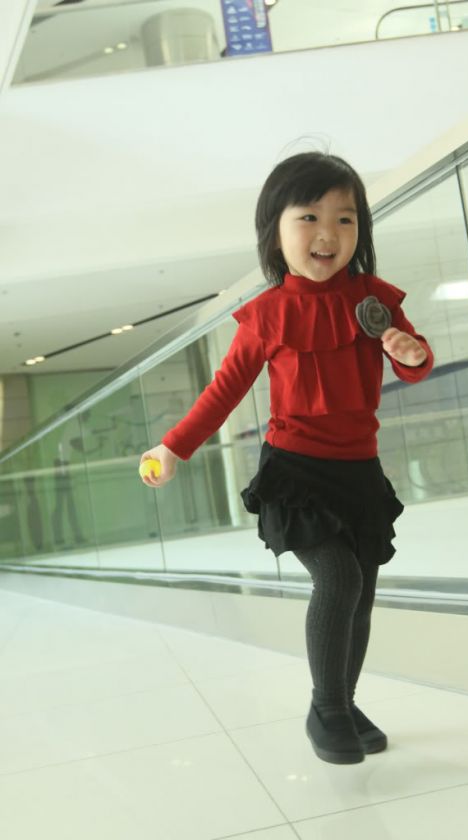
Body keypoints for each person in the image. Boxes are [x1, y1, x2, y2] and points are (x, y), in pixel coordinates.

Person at [139, 151, 434, 765]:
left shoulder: (374, 300)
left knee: (363, 594)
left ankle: (343, 701)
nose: (328, 234)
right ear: (275, 230)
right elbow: (224, 391)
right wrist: (172, 447)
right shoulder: (268, 314)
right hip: (296, 474)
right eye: (309, 217)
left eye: (346, 219)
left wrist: (409, 351)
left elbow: (416, 359)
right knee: (339, 578)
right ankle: (326, 710)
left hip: (360, 472)